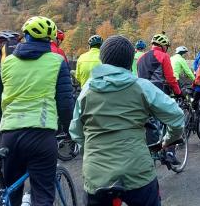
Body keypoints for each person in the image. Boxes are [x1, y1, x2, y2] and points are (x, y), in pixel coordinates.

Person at [69, 35, 184, 206]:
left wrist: (91, 150)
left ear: (102, 59)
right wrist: (169, 140)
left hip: (96, 173)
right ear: (131, 60)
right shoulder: (142, 86)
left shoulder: (87, 90)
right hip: (137, 172)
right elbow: (176, 116)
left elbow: (76, 132)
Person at [0, 16, 74, 206]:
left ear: (25, 36)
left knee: (11, 193)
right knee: (43, 195)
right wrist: (69, 130)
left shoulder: (7, 63)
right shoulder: (57, 61)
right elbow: (65, 104)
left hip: (10, 133)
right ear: (50, 39)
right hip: (41, 133)